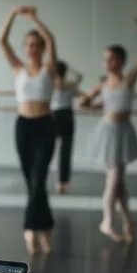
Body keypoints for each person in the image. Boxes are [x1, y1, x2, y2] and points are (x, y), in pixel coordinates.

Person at [80, 18, 137, 244]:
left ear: (121, 61)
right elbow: (86, 104)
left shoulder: (128, 80)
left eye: (111, 58)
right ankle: (111, 219)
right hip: (107, 132)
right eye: (105, 59)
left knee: (117, 182)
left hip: (123, 132)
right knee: (115, 181)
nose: (107, 62)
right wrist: (88, 102)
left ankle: (124, 219)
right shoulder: (102, 85)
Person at [0, 6, 59, 255]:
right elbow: (2, 40)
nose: (33, 48)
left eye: (37, 44)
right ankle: (45, 228)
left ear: (42, 49)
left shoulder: (49, 69)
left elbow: (52, 39)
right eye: (29, 44)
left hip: (45, 126)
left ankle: (30, 228)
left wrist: (34, 18)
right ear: (24, 48)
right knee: (32, 182)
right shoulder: (18, 69)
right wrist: (12, 14)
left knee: (38, 179)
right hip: (24, 127)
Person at [51, 61, 83, 194]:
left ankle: (57, 181)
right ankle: (63, 182)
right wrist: (71, 69)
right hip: (66, 116)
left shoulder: (50, 84)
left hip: (53, 115)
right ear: (65, 72)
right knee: (66, 151)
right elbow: (80, 78)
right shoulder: (71, 85)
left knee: (47, 149)